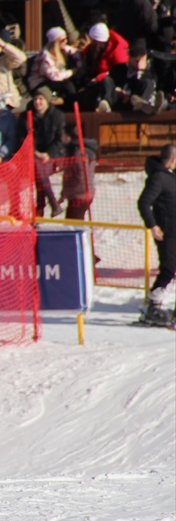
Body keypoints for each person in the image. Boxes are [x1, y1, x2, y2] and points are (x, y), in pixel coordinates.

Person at [137, 145, 176, 327]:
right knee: (168, 269)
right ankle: (153, 305)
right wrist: (152, 225)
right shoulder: (159, 177)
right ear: (173, 159)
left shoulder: (170, 176)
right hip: (166, 233)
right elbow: (144, 202)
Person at [19, 87, 65, 217]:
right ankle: (52, 204)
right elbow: (22, 139)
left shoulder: (57, 116)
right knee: (39, 168)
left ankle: (41, 207)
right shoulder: (26, 117)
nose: (37, 102)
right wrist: (36, 153)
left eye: (41, 99)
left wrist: (48, 154)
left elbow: (59, 139)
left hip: (52, 155)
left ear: (47, 100)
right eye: (35, 99)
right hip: (33, 155)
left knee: (40, 170)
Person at [102, 40, 167, 115]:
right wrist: (118, 91)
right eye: (136, 61)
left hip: (135, 102)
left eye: (142, 60)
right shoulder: (119, 69)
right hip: (119, 102)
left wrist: (139, 74)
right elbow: (112, 83)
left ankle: (144, 106)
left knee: (147, 83)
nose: (139, 65)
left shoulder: (150, 73)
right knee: (107, 80)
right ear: (129, 58)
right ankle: (105, 104)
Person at [27, 27, 78, 101]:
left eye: (66, 39)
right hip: (39, 85)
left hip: (51, 82)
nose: (66, 41)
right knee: (67, 85)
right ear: (55, 42)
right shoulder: (45, 57)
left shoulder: (61, 49)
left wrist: (79, 65)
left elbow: (74, 52)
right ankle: (74, 106)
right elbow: (55, 77)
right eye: (63, 40)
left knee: (75, 81)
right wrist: (72, 71)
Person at [60, 126, 96, 221]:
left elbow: (81, 176)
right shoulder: (75, 151)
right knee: (73, 224)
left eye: (63, 136)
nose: (61, 138)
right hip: (81, 194)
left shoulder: (79, 153)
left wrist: (68, 192)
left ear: (68, 138)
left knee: (72, 226)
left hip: (80, 195)